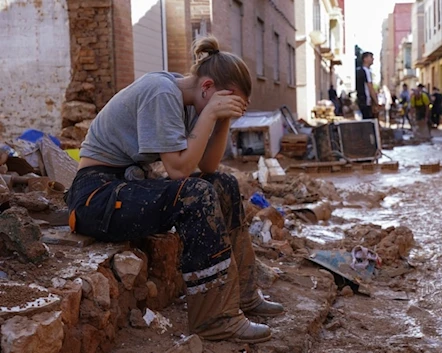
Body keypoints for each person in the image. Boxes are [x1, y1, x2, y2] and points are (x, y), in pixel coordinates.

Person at [64, 36, 284, 343]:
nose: (227, 107)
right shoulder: (161, 92)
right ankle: (214, 319)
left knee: (223, 184)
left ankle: (244, 295)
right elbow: (179, 171)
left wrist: (221, 121)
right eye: (227, 99)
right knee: (195, 194)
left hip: (128, 185)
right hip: (96, 196)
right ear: (207, 87)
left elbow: (207, 167)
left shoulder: (193, 101)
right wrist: (210, 114)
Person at [355, 52, 379, 120]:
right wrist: (376, 101)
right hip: (366, 100)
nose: (373, 59)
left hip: (361, 100)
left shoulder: (359, 71)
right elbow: (370, 87)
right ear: (365, 59)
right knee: (369, 121)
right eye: (371, 57)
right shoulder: (366, 71)